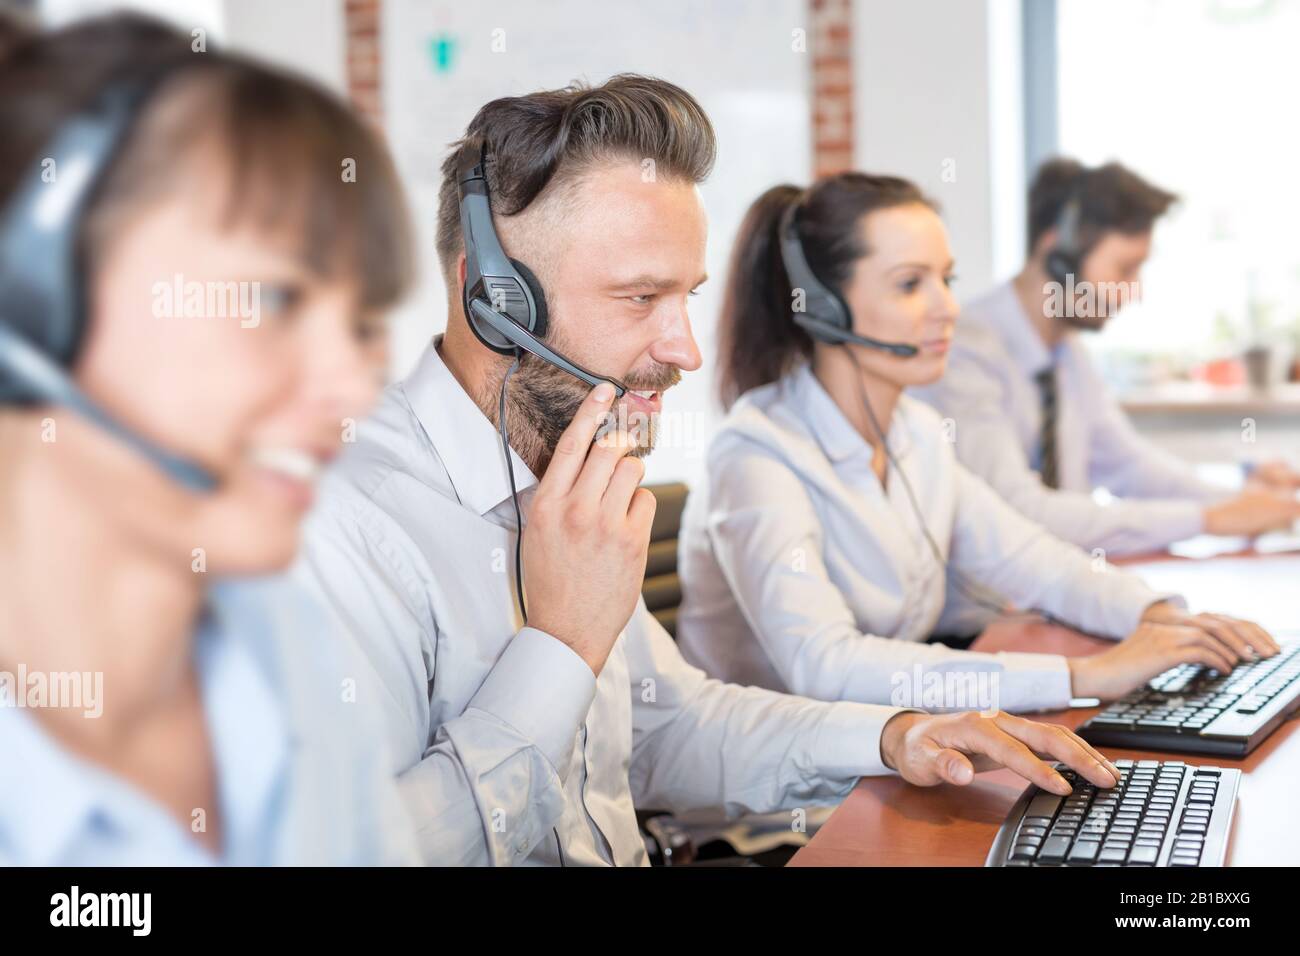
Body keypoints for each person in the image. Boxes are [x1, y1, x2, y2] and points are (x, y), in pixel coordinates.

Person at [296, 76, 1126, 867]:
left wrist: (896, 735)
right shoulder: (336, 533)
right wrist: (562, 648)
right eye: (639, 298)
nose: (685, 351)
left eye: (686, 296)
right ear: (495, 298)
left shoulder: (569, 475)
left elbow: (667, 727)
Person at [0, 14, 417, 864]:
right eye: (274, 299)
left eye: (365, 325)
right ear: (32, 305)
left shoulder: (287, 642)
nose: (352, 390)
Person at [675, 172, 1280, 714]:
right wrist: (1086, 674)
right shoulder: (756, 455)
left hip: (884, 750)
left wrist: (1160, 617)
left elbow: (1034, 561)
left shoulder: (916, 433)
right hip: (777, 815)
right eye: (911, 284)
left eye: (947, 278)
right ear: (824, 308)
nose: (948, 308)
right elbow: (825, 665)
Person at [912, 158, 1300, 556]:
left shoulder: (1066, 352)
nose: (1132, 291)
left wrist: (1244, 503)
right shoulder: (964, 353)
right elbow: (1021, 512)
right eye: (1125, 269)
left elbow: (1128, 465)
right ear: (1058, 252)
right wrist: (1206, 519)